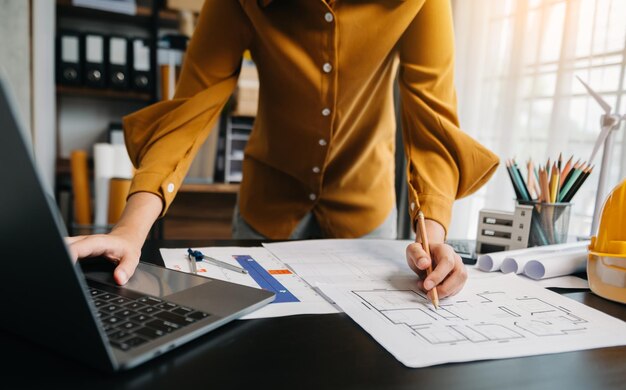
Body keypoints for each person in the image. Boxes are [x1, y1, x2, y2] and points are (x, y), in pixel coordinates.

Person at [69, 0, 499, 301]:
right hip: (265, 208)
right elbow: (191, 109)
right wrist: (130, 230)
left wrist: (434, 239)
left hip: (365, 210)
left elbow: (432, 120)